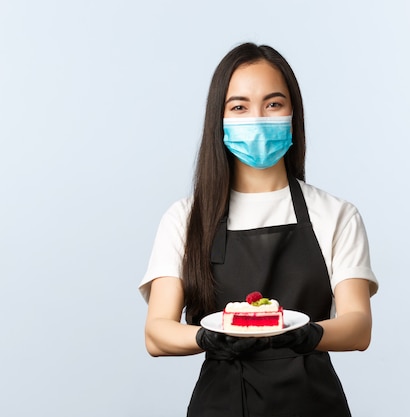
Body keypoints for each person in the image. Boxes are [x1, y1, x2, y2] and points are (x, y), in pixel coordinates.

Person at [139, 42, 378, 417]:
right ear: (218, 120)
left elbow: (358, 325)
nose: (258, 118)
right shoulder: (186, 218)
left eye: (273, 104)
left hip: (314, 404)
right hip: (220, 405)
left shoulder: (336, 214)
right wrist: (209, 336)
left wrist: (308, 333)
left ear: (293, 114)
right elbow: (156, 333)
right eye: (239, 106)